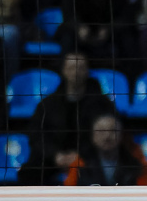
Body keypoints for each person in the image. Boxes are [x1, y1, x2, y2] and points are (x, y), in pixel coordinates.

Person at [25, 51, 119, 185]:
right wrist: (55, 155)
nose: (76, 72)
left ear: (87, 71)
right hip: (52, 160)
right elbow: (36, 135)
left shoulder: (102, 103)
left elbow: (109, 133)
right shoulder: (48, 104)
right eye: (71, 67)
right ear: (63, 70)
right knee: (29, 172)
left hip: (90, 159)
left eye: (80, 67)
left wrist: (80, 155)